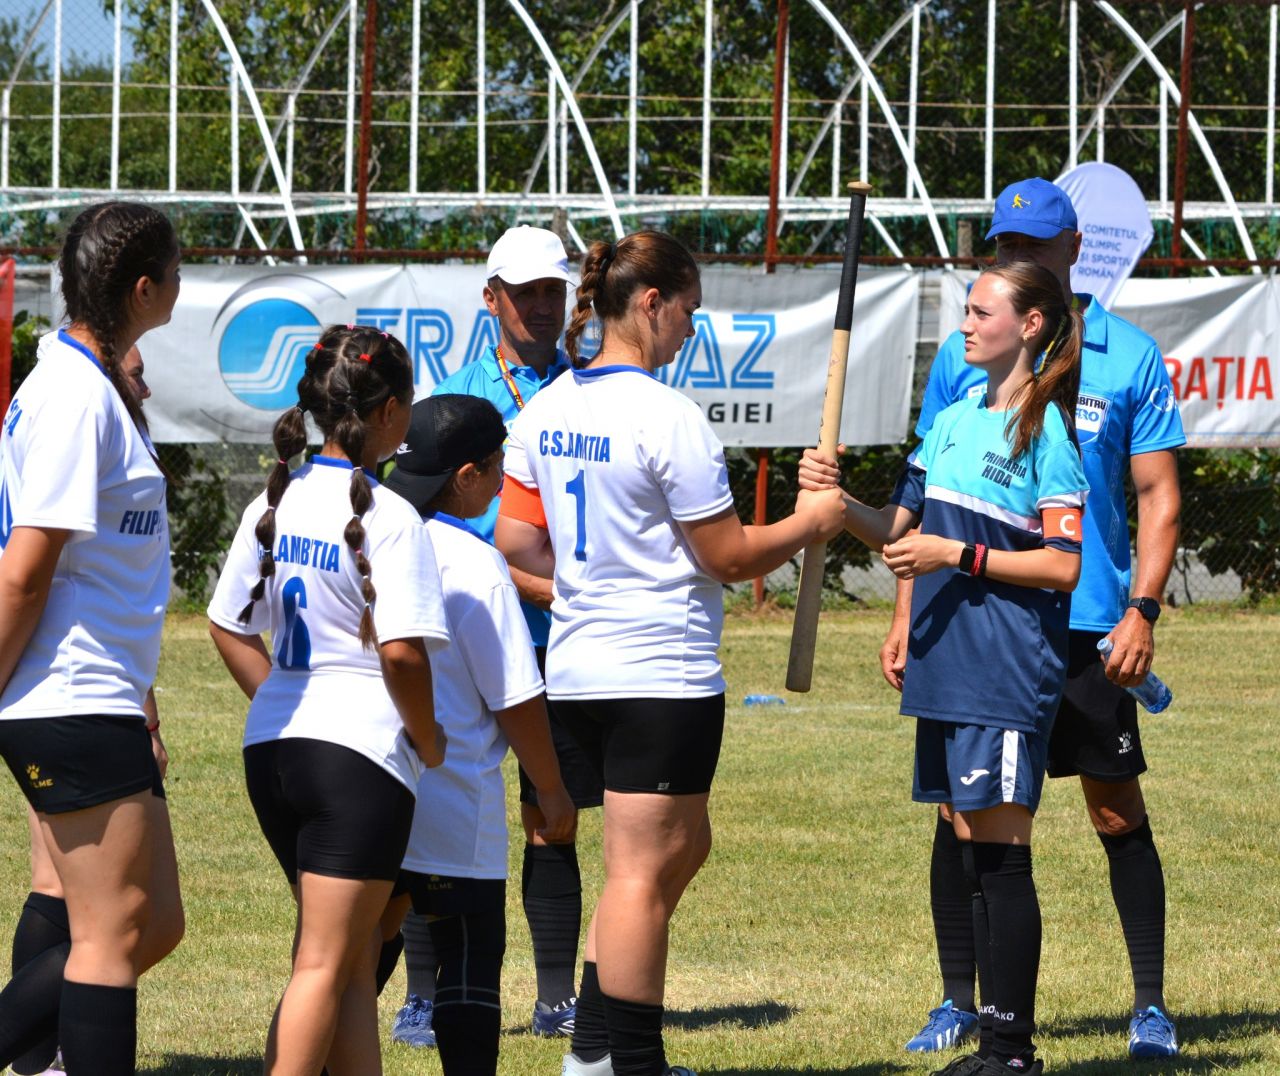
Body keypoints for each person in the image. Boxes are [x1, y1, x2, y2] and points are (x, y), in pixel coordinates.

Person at [495, 230, 846, 1076]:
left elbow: (515, 541)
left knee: (674, 853)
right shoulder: (669, 417)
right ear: (649, 303)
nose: (692, 327)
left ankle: (593, 1048)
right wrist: (813, 524)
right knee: (639, 876)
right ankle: (626, 1062)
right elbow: (726, 558)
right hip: (661, 674)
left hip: (577, 671)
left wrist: (582, 585)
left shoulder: (545, 410)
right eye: (688, 309)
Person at [892, 178, 1184, 1062]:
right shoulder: (964, 356)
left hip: (1087, 623)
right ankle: (959, 1002)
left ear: (1071, 249)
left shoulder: (1127, 355)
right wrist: (908, 610)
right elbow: (932, 504)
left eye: (1031, 246)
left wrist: (1141, 610)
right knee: (961, 816)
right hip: (975, 624)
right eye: (999, 247)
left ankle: (1148, 1004)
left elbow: (1159, 497)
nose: (1012, 260)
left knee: (1112, 809)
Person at [803, 260, 1090, 1076]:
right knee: (968, 845)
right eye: (963, 311)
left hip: (1003, 669)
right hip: (945, 663)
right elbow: (895, 528)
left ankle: (1011, 1050)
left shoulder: (1047, 431)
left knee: (1001, 856)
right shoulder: (954, 418)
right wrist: (837, 502)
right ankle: (993, 1043)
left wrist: (956, 553)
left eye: (979, 311)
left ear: (1030, 325)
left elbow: (1063, 567)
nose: (963, 325)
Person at [207, 324, 449, 1075]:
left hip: (273, 754)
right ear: (389, 415)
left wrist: (283, 697)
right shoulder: (391, 517)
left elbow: (225, 625)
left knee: (345, 961)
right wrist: (429, 736)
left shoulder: (273, 501)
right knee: (323, 961)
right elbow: (403, 654)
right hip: (357, 763)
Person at [390, 224, 604, 1047]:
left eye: (554, 290)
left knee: (554, 814)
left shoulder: (591, 393)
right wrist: (535, 580)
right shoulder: (451, 401)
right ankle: (420, 995)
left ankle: (556, 999)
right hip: (465, 633)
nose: (542, 307)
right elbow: (431, 532)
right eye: (525, 293)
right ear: (491, 299)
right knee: (432, 812)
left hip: (560, 641)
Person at [0, 201, 185, 1075]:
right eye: (174, 270)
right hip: (66, 691)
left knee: (152, 920)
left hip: (98, 687)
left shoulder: (88, 384)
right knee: (112, 934)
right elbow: (25, 570)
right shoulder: (74, 395)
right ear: (143, 288)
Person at [378, 393, 577, 1074]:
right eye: (497, 470)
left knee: (344, 958)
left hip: (362, 778)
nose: (501, 486)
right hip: (450, 779)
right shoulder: (470, 561)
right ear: (464, 475)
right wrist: (551, 790)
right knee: (468, 947)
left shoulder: (361, 531)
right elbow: (516, 696)